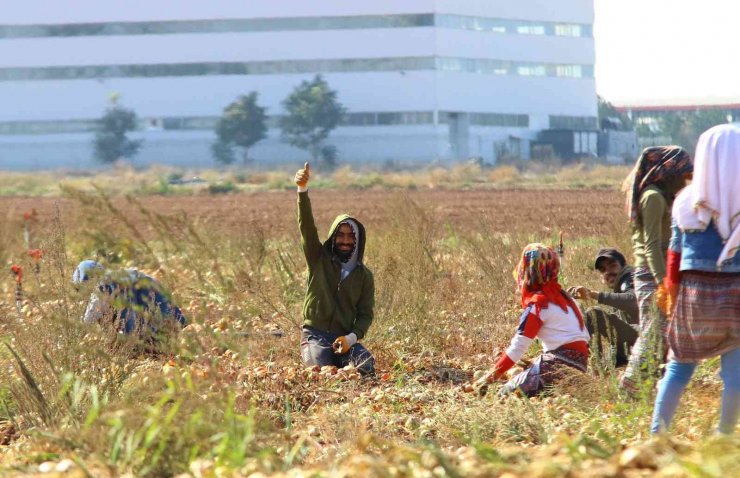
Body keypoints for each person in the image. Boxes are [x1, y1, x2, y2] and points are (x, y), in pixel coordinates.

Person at [651, 124, 740, 434]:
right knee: (735, 374)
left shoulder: (685, 200)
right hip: (735, 296)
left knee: (678, 368)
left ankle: (657, 435)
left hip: (694, 296)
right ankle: (724, 437)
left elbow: (674, 257)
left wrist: (671, 298)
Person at [621, 146, 693, 390]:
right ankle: (629, 387)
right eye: (684, 175)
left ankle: (647, 386)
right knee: (652, 333)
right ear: (669, 172)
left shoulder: (662, 196)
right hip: (651, 275)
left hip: (658, 274)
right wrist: (665, 283)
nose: (687, 180)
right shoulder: (652, 197)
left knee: (661, 334)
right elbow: (652, 246)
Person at [294, 162, 376, 375]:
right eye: (341, 235)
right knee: (320, 370)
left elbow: (366, 314)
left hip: (344, 340)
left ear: (358, 241)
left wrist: (351, 338)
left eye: (351, 236)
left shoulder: (364, 276)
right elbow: (307, 227)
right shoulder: (318, 258)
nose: (345, 241)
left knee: (366, 365)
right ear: (333, 237)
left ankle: (345, 364)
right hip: (315, 336)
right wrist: (302, 190)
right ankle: (330, 364)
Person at [481, 243, 590, 397]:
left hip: (555, 368)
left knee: (504, 394)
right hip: (580, 368)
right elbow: (576, 340)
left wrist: (489, 378)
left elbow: (518, 348)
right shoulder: (568, 300)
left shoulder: (538, 306)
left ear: (527, 273)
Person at [73, 260, 187, 342]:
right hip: (177, 322)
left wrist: (70, 342)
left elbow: (88, 320)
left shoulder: (103, 287)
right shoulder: (126, 275)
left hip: (153, 337)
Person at [568, 248, 638, 367]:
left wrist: (593, 295)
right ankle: (598, 367)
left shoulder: (630, 277)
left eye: (612, 265)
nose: (608, 272)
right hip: (633, 344)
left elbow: (633, 300)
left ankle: (589, 367)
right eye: (603, 269)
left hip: (646, 336)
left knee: (593, 314)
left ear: (623, 265)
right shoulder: (619, 285)